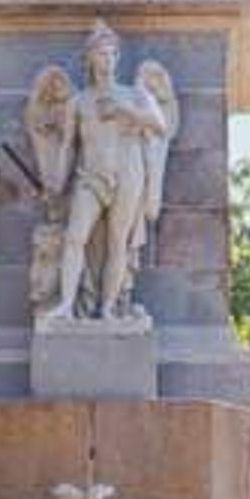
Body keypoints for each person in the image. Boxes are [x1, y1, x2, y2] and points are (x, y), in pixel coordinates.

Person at [45, 21, 171, 322]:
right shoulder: (78, 101)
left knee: (118, 243)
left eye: (113, 54)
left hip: (129, 174)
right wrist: (57, 185)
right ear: (89, 58)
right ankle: (66, 304)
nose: (108, 60)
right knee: (75, 238)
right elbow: (67, 148)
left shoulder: (133, 93)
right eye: (101, 54)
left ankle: (107, 307)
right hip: (90, 176)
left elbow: (160, 126)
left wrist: (124, 111)